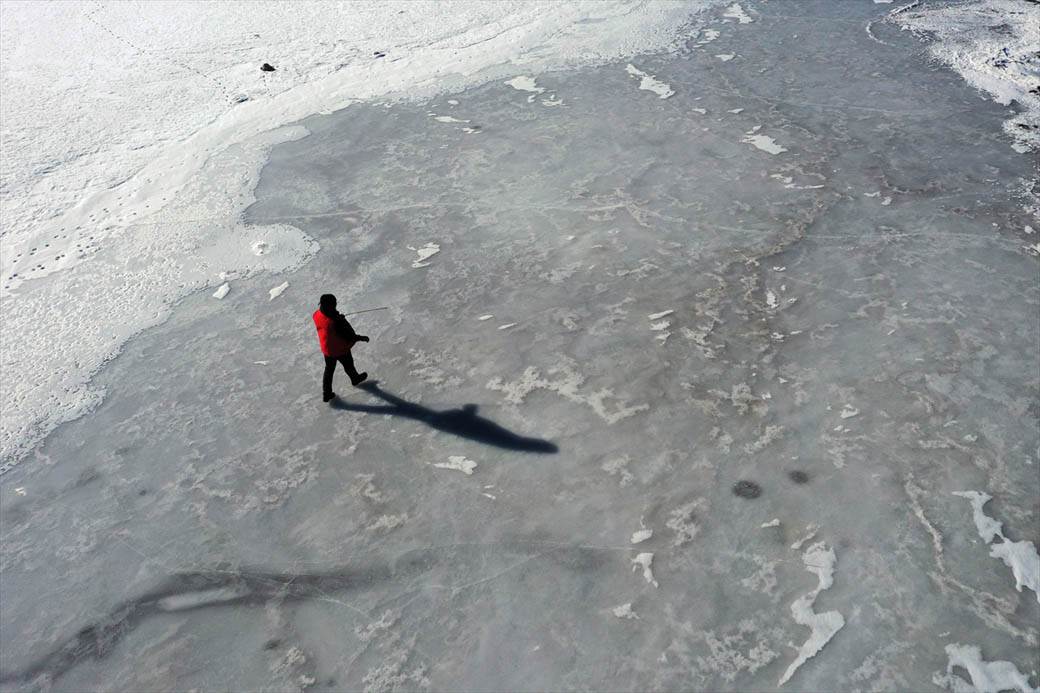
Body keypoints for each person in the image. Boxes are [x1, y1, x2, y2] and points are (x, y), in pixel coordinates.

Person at [313, 294, 370, 402]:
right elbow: (348, 336)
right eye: (334, 304)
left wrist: (337, 317)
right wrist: (361, 338)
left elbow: (327, 321)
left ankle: (327, 393)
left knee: (329, 370)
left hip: (327, 349)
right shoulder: (334, 322)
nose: (335, 306)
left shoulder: (316, 314)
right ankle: (355, 378)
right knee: (348, 364)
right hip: (339, 349)